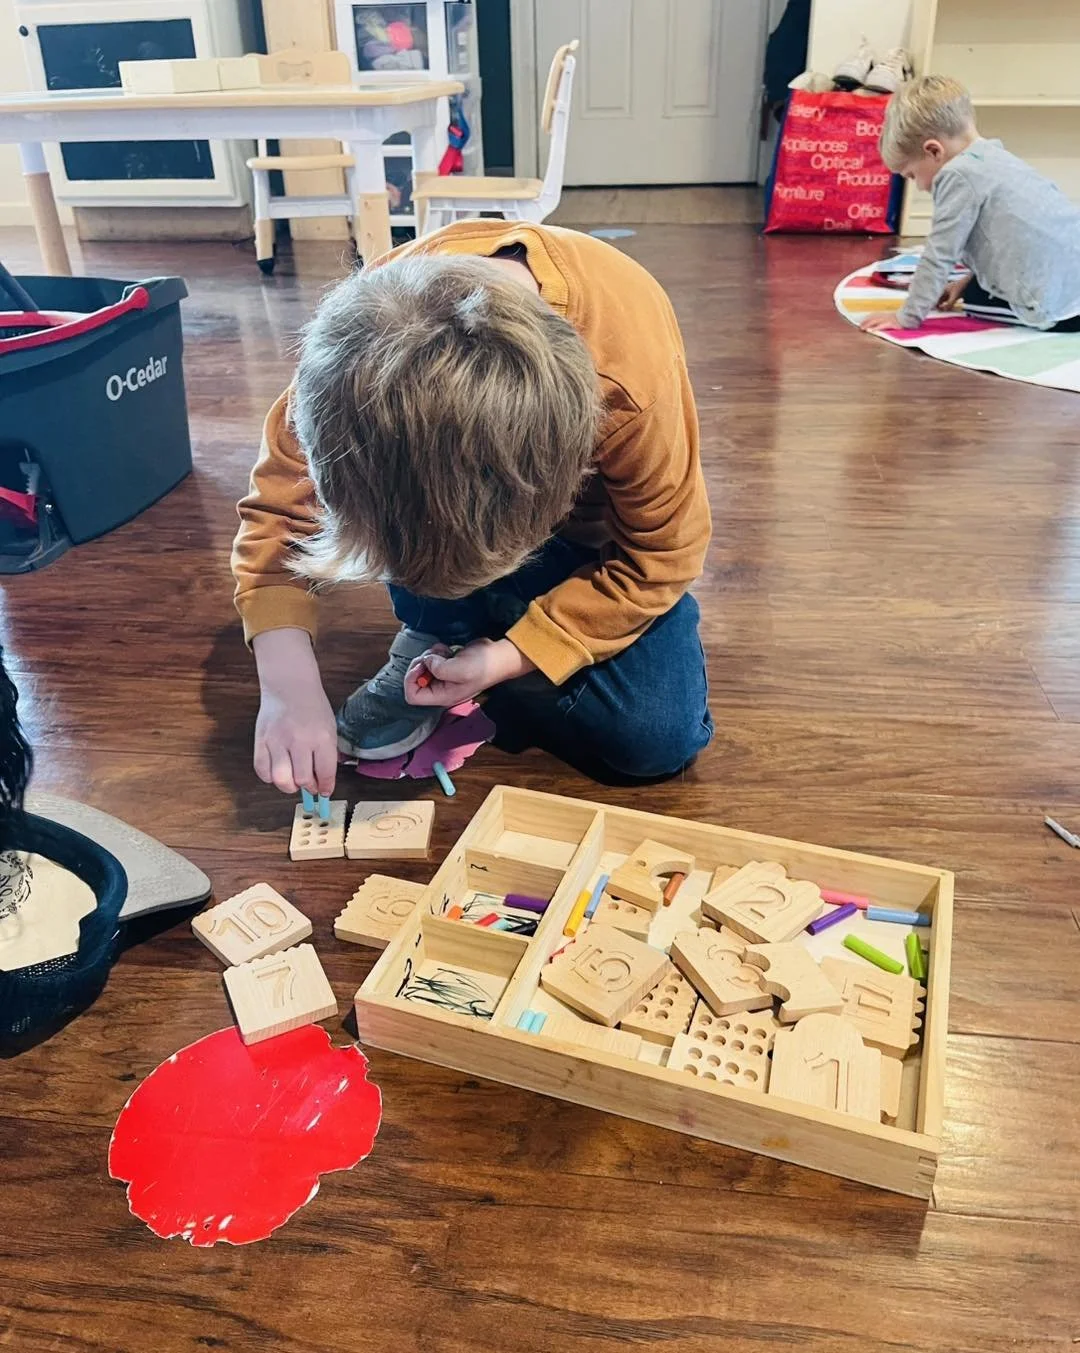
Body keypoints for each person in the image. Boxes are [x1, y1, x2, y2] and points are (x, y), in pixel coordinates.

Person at [232, 222, 713, 798]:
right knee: (464, 599)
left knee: (654, 739)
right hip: (480, 512)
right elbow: (278, 514)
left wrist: (509, 659)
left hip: (594, 543)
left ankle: (474, 624)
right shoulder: (345, 360)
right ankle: (447, 624)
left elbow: (662, 553)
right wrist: (288, 686)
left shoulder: (631, 381)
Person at [860, 75, 1080, 334]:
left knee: (973, 302)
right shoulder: (995, 156)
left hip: (1058, 308)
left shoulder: (956, 175)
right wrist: (969, 278)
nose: (918, 186)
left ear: (934, 151)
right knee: (971, 285)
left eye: (912, 175)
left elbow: (940, 255)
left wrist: (906, 316)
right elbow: (1010, 242)